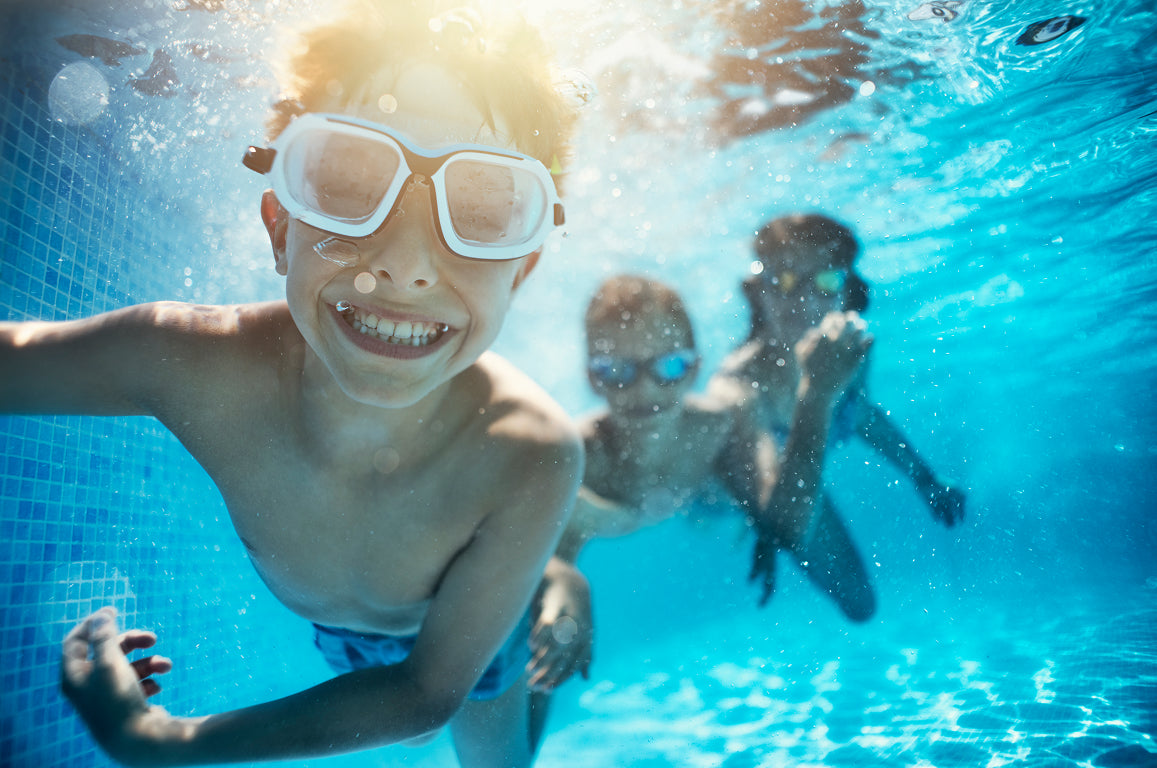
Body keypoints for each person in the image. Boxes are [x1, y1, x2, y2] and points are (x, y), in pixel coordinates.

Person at [0, 3, 583, 766]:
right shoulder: (194, 363)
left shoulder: (528, 450)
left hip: (472, 648)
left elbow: (422, 696)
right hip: (341, 642)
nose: (404, 265)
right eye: (345, 182)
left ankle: (553, 582)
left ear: (524, 268)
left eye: (481, 212)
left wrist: (159, 741)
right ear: (281, 226)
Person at [524, 274, 871, 727]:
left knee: (861, 604)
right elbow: (544, 583)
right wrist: (559, 612)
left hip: (717, 495)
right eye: (617, 371)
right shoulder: (579, 458)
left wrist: (817, 395)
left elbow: (787, 524)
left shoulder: (721, 425)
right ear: (592, 378)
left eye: (668, 367)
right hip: (658, 504)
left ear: (694, 366)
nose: (644, 391)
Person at [709, 212, 966, 621]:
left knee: (861, 604)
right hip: (718, 495)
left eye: (826, 281)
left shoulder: (847, 348)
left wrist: (925, 478)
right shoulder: (739, 385)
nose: (805, 299)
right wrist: (768, 529)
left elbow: (860, 414)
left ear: (847, 292)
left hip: (788, 484)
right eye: (786, 281)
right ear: (758, 291)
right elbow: (759, 490)